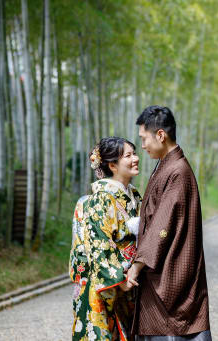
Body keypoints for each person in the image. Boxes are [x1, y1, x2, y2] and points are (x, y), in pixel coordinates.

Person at [127, 105, 211, 341]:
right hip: (163, 265)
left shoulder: (177, 171)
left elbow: (162, 226)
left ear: (161, 135)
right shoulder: (168, 165)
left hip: (171, 269)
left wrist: (138, 264)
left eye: (144, 139)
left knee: (171, 330)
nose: (142, 146)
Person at [69, 137, 142, 341]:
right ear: (112, 165)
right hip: (104, 282)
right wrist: (119, 279)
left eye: (134, 153)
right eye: (128, 155)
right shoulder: (101, 198)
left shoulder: (133, 194)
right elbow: (99, 243)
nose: (136, 158)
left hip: (127, 276)